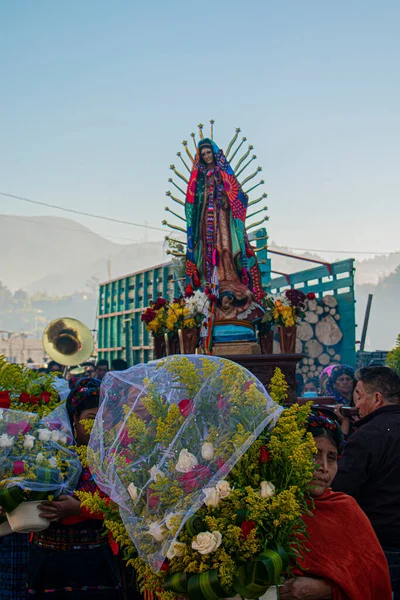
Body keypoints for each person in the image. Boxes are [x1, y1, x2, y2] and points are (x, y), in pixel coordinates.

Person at [280, 411, 392, 600]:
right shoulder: (269, 506)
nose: (324, 467)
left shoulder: (345, 509)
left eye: (331, 458)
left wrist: (326, 589)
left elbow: (373, 577)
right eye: (313, 454)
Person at [27, 377, 121, 599]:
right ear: (74, 419)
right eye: (89, 418)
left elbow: (125, 508)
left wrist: (80, 508)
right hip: (48, 562)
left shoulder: (117, 457)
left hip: (95, 562)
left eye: (102, 419)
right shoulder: (48, 452)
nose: (95, 425)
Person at [333, 366, 400, 597]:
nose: (357, 405)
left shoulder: (368, 435)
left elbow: (341, 489)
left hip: (384, 546)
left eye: (359, 396)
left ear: (377, 398)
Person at [185, 138, 264, 325]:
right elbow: (192, 202)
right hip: (207, 220)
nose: (206, 156)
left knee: (227, 250)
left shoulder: (223, 172)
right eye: (203, 154)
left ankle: (230, 278)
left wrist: (225, 198)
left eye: (208, 153)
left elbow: (237, 194)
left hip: (224, 217)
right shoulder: (201, 177)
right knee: (210, 252)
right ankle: (213, 280)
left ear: (214, 153)